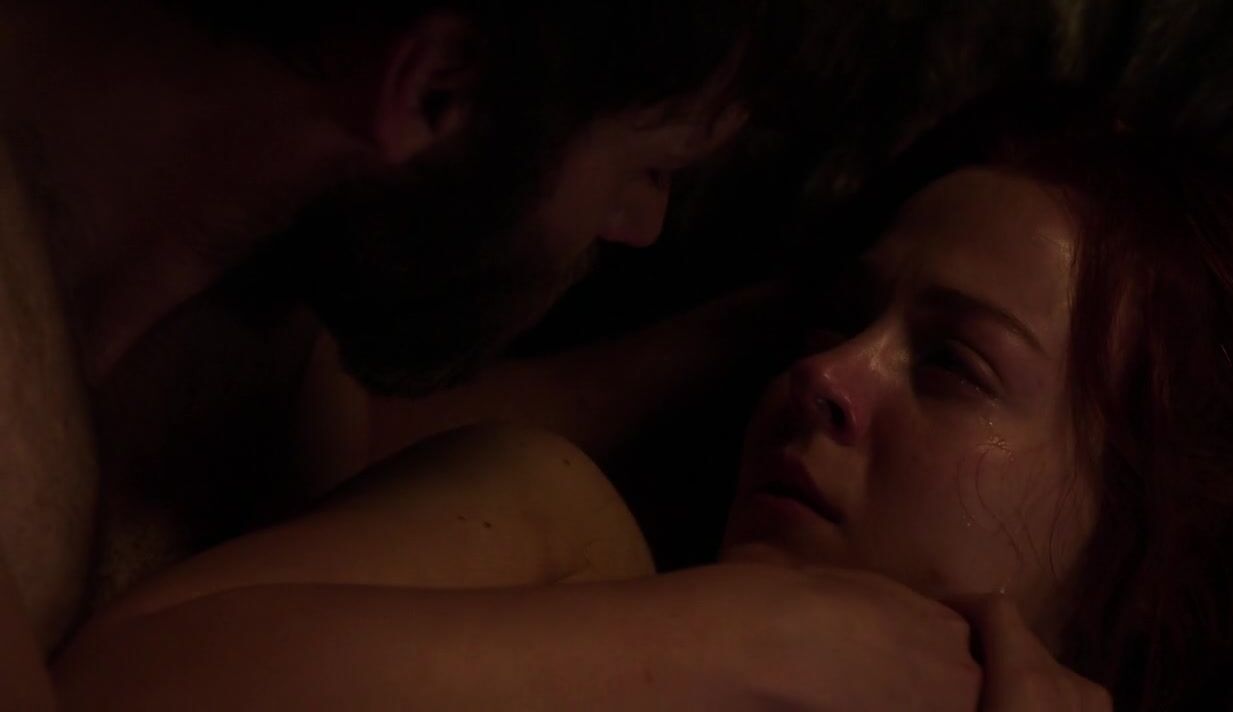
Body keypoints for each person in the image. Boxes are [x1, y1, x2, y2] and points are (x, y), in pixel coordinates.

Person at [68, 95, 1233, 710]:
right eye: (835, 319)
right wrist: (748, 641)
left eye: (954, 365)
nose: (824, 374)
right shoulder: (559, 528)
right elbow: (114, 690)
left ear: (1145, 532)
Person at [0, 0, 820, 706]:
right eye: (647, 167)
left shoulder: (272, 329)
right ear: (434, 87)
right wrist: (742, 651)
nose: (640, 225)